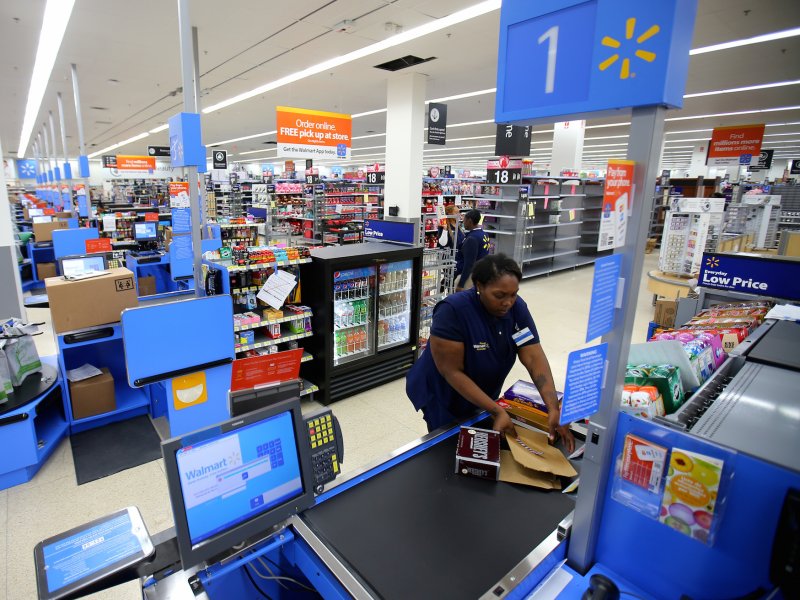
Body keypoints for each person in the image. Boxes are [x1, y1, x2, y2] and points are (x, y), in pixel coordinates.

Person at [406, 254, 575, 453]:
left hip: (482, 388)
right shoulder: (452, 311)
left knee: (478, 427)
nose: (508, 302)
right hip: (443, 392)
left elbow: (532, 355)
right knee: (448, 445)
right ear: (479, 285)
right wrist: (495, 410)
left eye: (513, 294)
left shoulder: (516, 309)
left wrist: (552, 407)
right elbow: (452, 372)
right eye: (500, 295)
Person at [455, 209, 490, 291]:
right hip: (480, 273)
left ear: (470, 221)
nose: (463, 223)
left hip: (469, 276)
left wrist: (461, 284)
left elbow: (469, 264)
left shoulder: (472, 238)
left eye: (464, 221)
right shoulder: (484, 234)